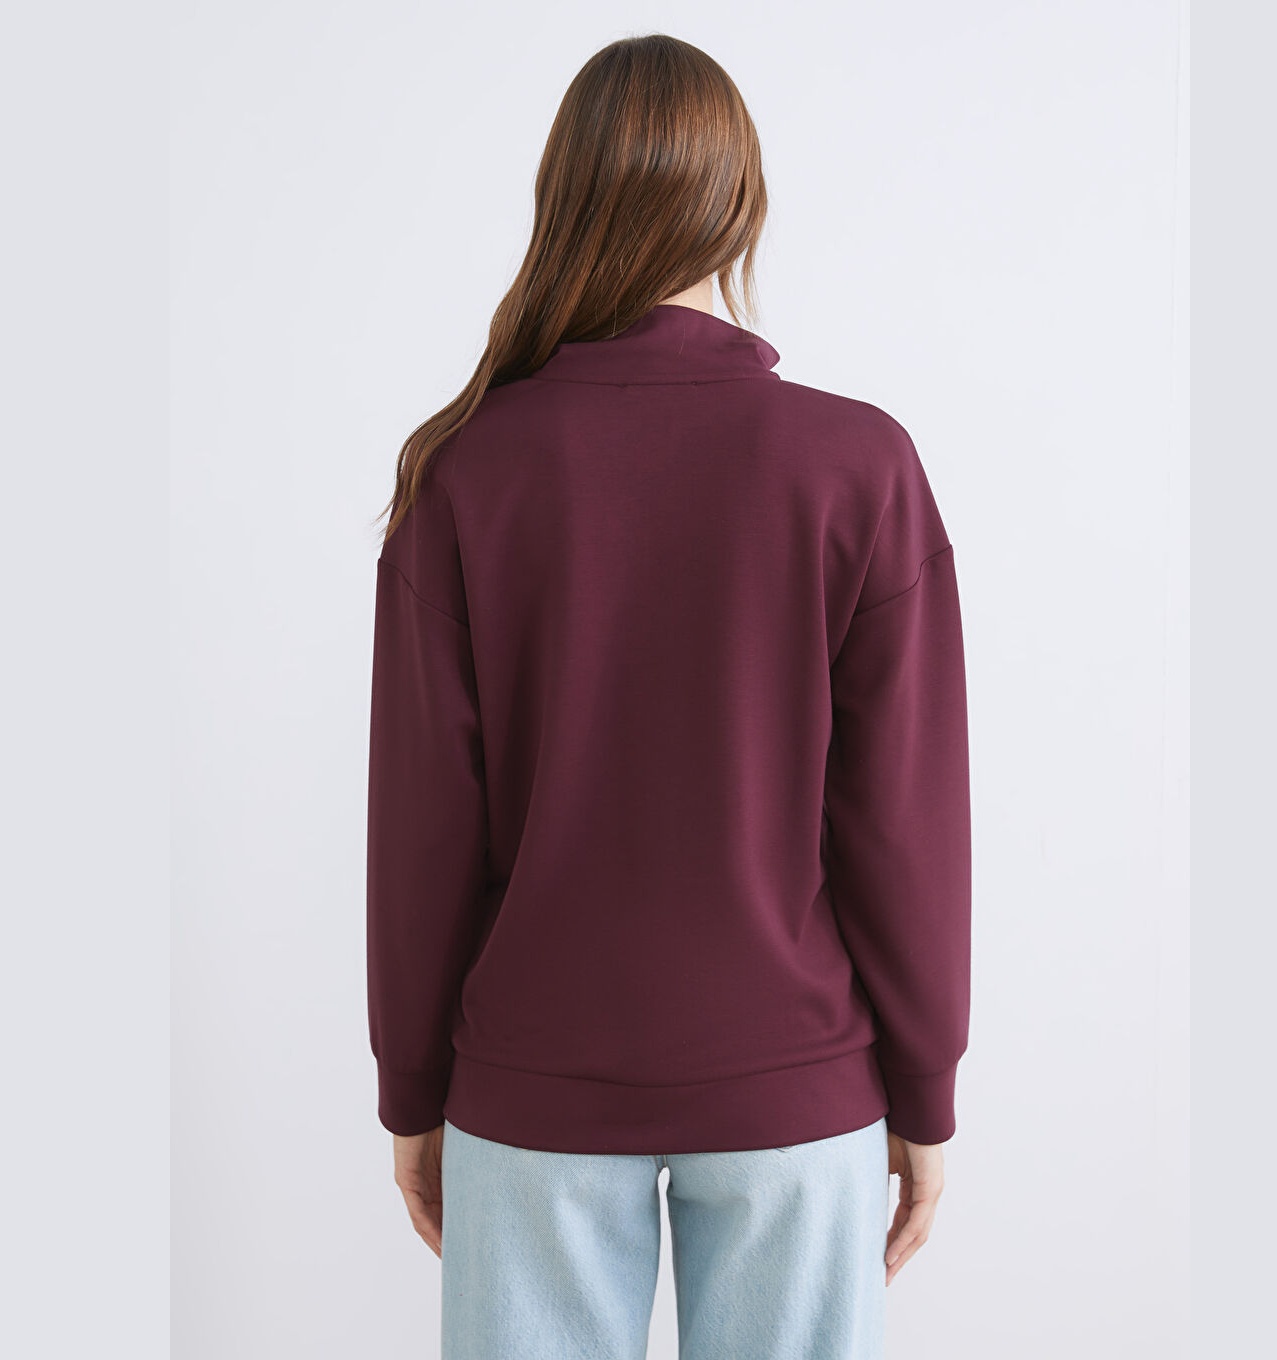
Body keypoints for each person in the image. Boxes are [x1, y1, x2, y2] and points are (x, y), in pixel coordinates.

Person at [365, 32, 971, 1360]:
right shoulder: (858, 467)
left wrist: (413, 1090)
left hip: (530, 1087)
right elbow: (902, 824)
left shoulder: (466, 473)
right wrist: (924, 1092)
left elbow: (422, 834)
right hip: (793, 1085)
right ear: (741, 205)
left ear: (563, 202)